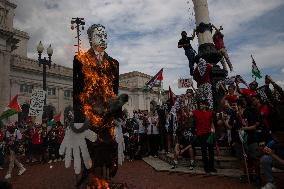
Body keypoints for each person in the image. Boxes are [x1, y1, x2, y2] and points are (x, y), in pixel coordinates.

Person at [190, 99, 216, 174]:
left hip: (209, 134)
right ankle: (206, 167)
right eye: (200, 104)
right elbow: (190, 114)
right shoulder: (196, 112)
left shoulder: (210, 113)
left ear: (206, 105)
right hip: (201, 134)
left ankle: (212, 167)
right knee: (204, 151)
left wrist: (213, 130)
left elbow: (211, 123)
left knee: (211, 151)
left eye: (202, 104)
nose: (201, 105)